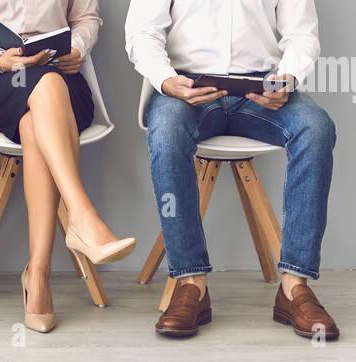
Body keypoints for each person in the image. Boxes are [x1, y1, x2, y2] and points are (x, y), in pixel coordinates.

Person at [125, 0, 340, 340]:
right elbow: (142, 32)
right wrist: (167, 80)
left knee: (316, 129)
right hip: (188, 87)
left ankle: (294, 286)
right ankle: (191, 282)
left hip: (261, 89)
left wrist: (288, 77)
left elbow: (301, 34)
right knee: (166, 133)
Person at [0, 0, 136, 333]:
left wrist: (77, 48)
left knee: (34, 122)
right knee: (43, 91)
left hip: (62, 81)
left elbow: (87, 19)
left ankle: (37, 274)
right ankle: (81, 216)